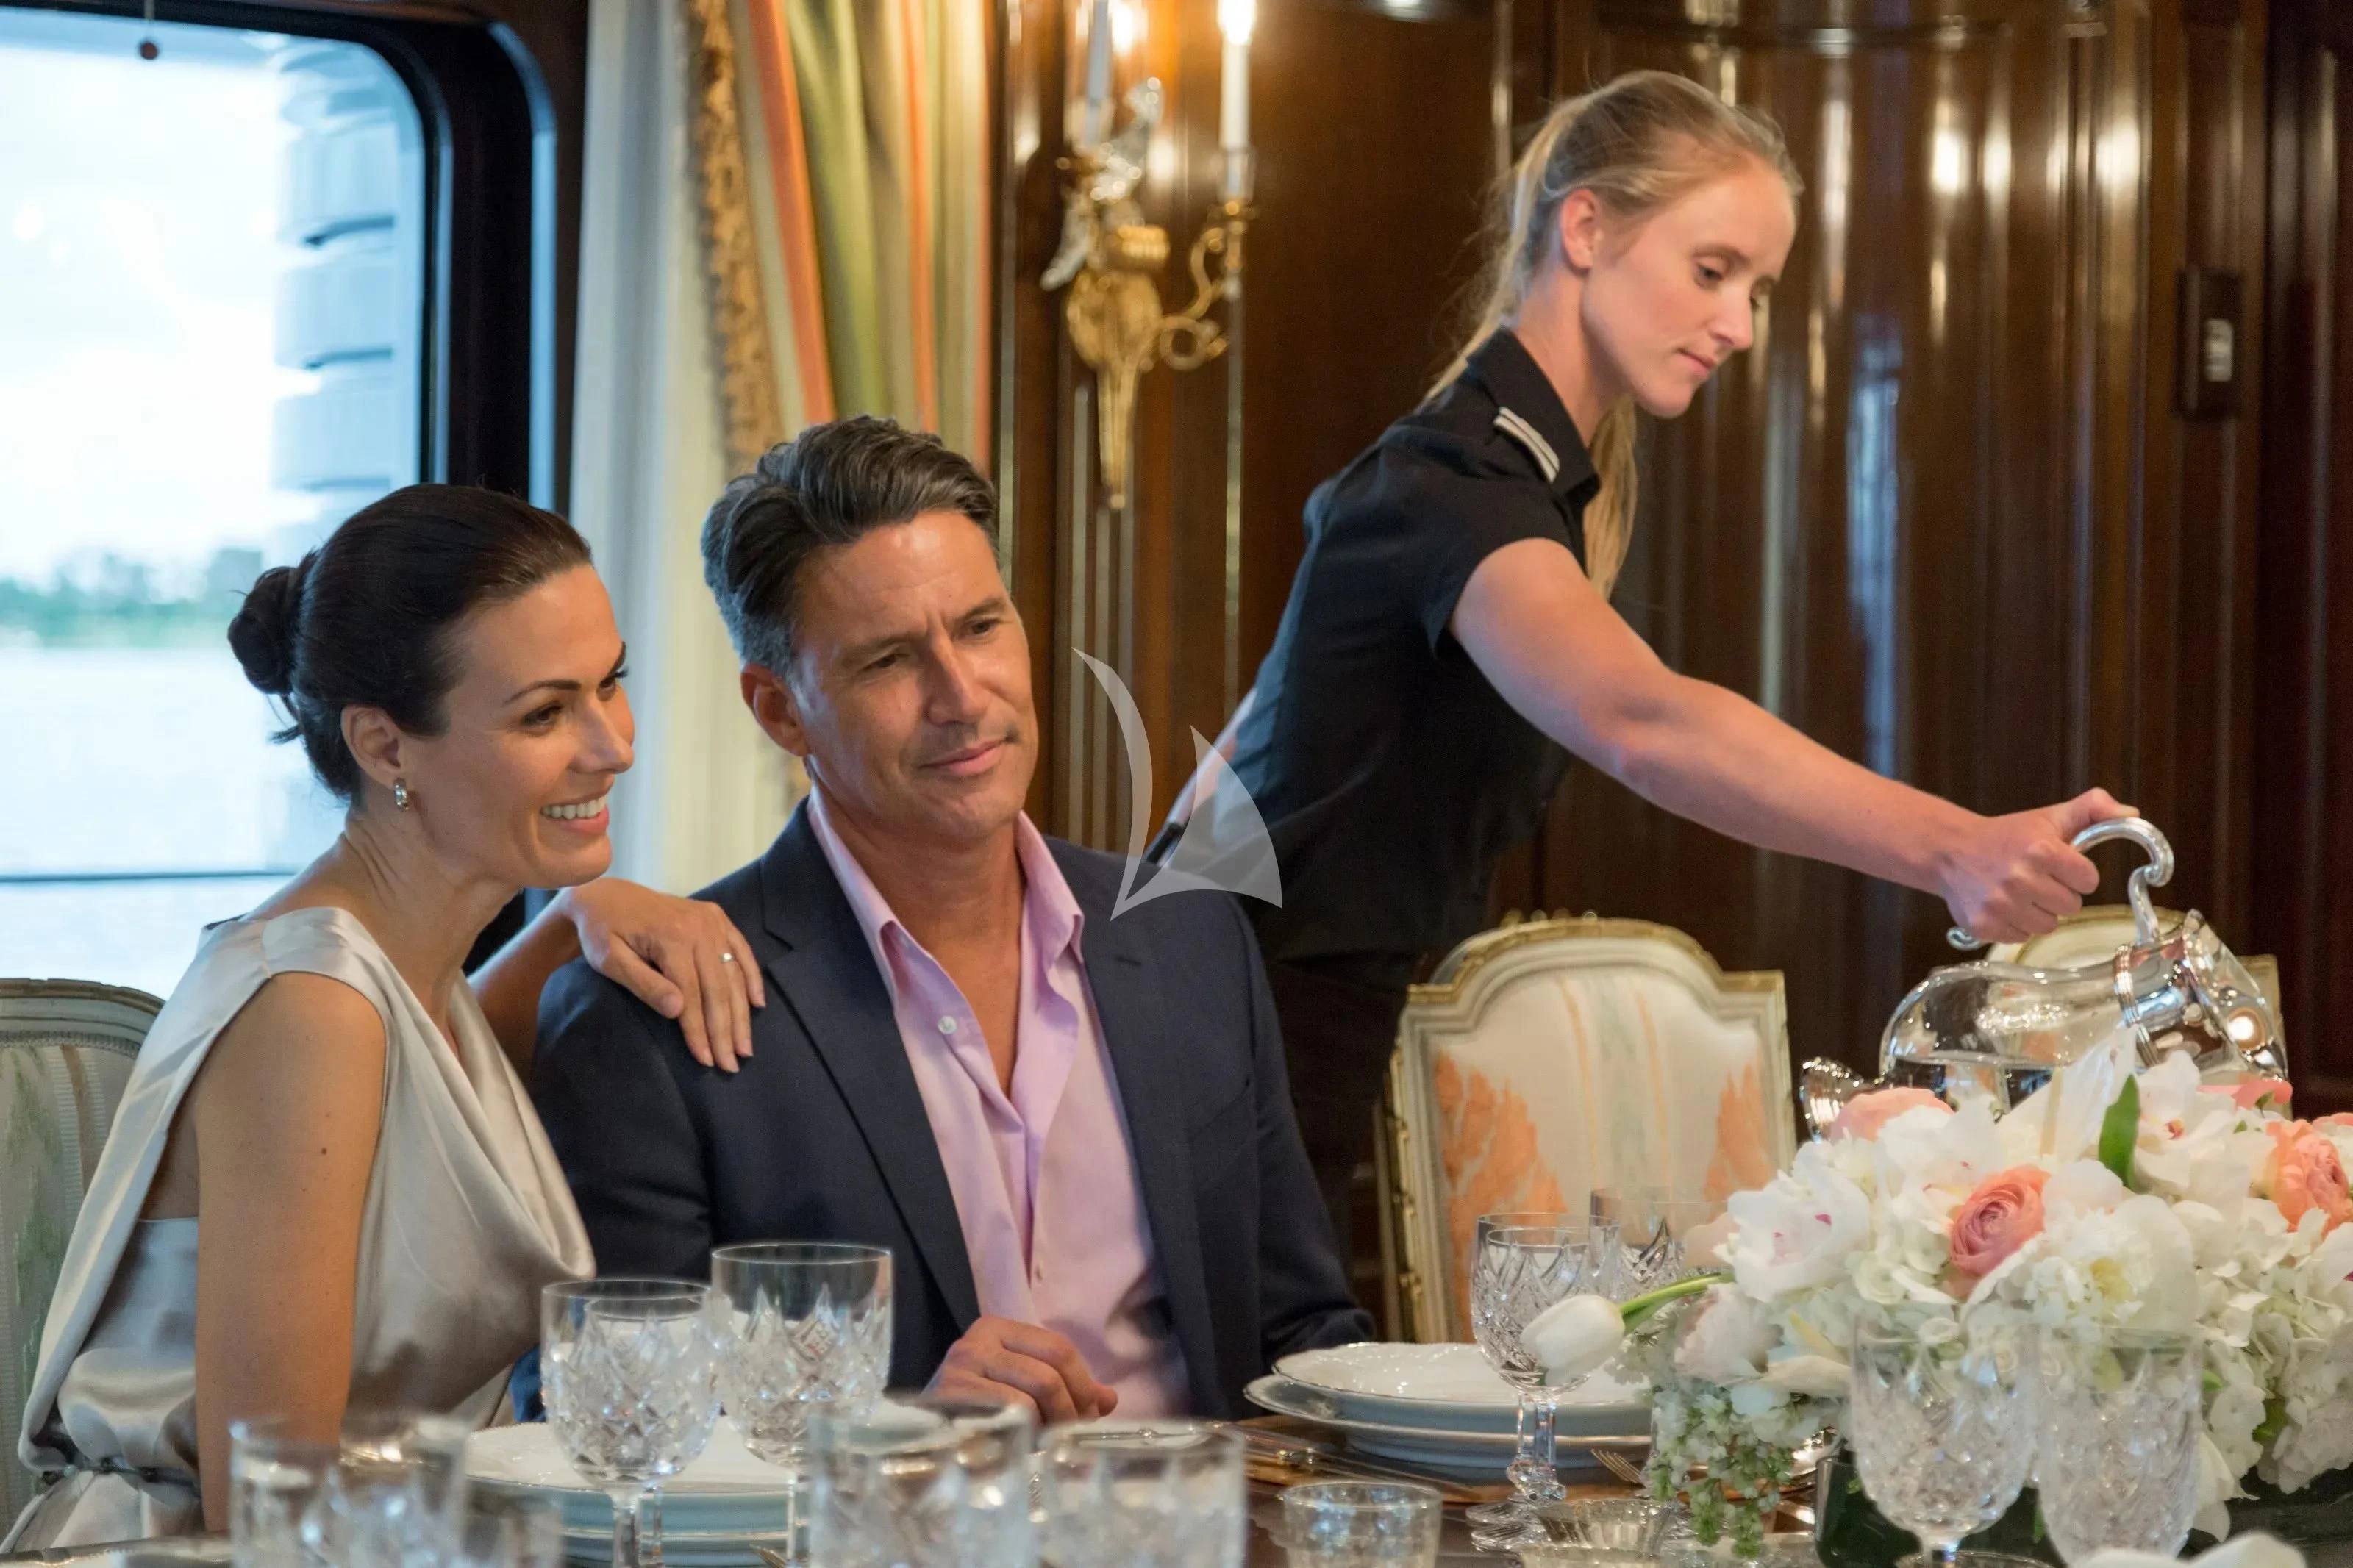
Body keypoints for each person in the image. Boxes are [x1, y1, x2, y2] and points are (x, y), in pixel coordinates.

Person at [1171, 71, 2135, 1249]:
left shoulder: (1513, 483)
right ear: (1586, 228)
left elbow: (1249, 740)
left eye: (1758, 289)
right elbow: (1647, 723)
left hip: (1283, 1016)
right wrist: (1954, 847)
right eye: (1712, 270)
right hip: (1232, 1025)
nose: (1740, 324)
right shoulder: (1451, 484)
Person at [533, 417, 1369, 1423]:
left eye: (981, 627)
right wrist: (895, 1429)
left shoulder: (1190, 937)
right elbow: (613, 1431)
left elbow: (1301, 1335)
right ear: (780, 711)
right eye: (888, 661)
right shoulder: (653, 1014)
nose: (961, 696)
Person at [8, 487, 761, 1548]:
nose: (612, 747)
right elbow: (273, 1509)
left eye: (611, 685)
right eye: (544, 713)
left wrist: (574, 918)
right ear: (385, 747)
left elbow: (436, 1124)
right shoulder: (308, 1012)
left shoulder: (411, 974)